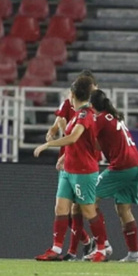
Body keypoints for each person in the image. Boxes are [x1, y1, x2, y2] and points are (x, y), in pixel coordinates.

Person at [33, 76, 109, 262]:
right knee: (60, 208)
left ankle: (102, 249)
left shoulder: (85, 114)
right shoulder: (77, 114)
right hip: (68, 170)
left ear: (74, 94)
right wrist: (64, 156)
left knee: (89, 211)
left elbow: (74, 138)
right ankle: (56, 249)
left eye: (69, 93)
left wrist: (47, 145)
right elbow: (79, 143)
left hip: (83, 171)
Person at [46, 70, 97, 261]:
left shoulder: (90, 109)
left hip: (83, 161)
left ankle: (95, 246)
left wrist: (50, 143)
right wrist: (52, 130)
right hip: (68, 159)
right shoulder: (69, 103)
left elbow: (83, 136)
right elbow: (60, 119)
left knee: (81, 209)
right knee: (64, 208)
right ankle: (83, 243)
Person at [90, 89, 138, 263]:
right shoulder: (113, 116)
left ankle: (103, 245)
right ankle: (134, 254)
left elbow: (88, 141)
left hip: (122, 166)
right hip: (135, 165)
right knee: (123, 209)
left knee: (90, 199)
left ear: (92, 106)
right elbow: (99, 145)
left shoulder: (99, 119)